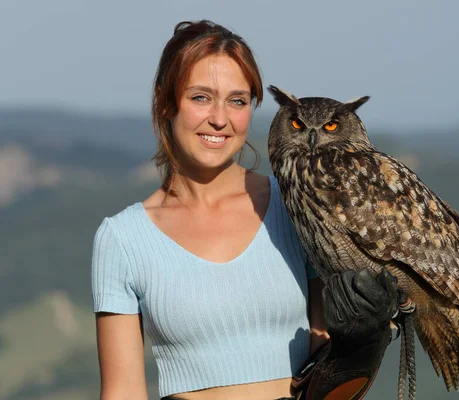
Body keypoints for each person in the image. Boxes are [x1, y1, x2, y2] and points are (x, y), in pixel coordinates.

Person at [91, 20, 402, 400]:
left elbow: (327, 366)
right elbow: (122, 392)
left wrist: (361, 346)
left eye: (237, 101)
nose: (219, 119)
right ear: (165, 102)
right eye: (201, 97)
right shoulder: (123, 239)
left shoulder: (295, 207)